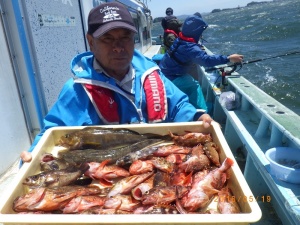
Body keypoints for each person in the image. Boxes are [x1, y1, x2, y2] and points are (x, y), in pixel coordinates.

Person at [20, 2, 213, 163]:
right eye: (107, 39)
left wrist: (197, 117)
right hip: (104, 177)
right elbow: (51, 134)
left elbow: (178, 106)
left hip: (154, 162)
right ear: (91, 42)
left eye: (125, 38)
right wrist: (32, 157)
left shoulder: (152, 74)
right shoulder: (76, 90)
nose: (119, 48)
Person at [159, 14, 244, 111]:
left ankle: (191, 105)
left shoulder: (180, 39)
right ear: (196, 32)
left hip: (164, 73)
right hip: (171, 77)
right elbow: (206, 61)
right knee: (194, 85)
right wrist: (229, 58)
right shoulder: (191, 48)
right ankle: (202, 111)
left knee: (189, 80)